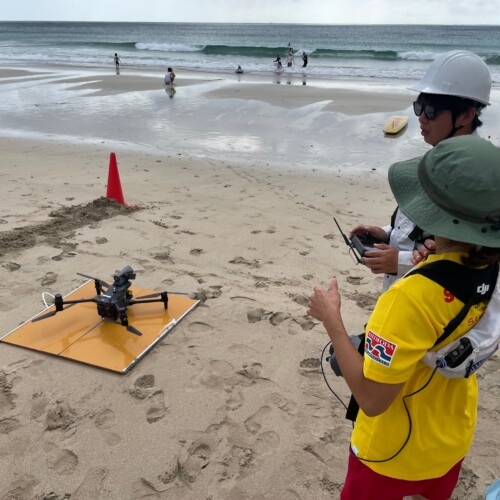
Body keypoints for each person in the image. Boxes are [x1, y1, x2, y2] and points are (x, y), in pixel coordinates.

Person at [308, 135, 500, 500]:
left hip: (392, 453)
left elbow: (372, 399)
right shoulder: (489, 265)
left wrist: (331, 320)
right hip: (450, 436)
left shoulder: (409, 297)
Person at [350, 50, 492, 292]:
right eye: (419, 107)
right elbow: (421, 225)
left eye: (431, 111)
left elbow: (474, 259)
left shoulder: (476, 178)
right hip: (404, 294)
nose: (421, 118)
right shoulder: (436, 160)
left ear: (467, 114)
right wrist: (386, 234)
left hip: (436, 307)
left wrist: (400, 261)